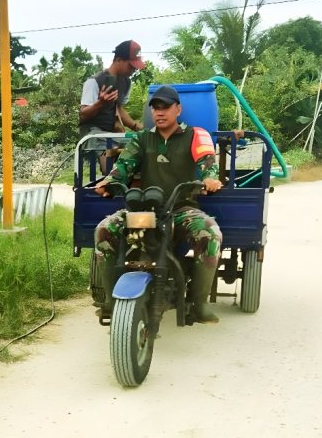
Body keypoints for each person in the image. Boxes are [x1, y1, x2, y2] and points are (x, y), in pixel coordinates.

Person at [93, 85, 223, 324]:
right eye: (155, 108)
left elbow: (207, 161)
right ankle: (111, 303)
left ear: (178, 109)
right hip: (144, 209)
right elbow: (123, 167)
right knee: (104, 230)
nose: (159, 112)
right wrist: (109, 182)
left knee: (211, 235)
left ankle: (198, 304)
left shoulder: (195, 134)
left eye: (165, 107)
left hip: (180, 209)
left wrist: (209, 178)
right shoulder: (141, 138)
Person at [79, 39, 146, 173]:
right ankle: (109, 178)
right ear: (118, 60)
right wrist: (100, 103)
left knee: (138, 143)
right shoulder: (94, 82)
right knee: (109, 145)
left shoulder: (126, 82)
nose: (134, 69)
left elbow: (118, 108)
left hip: (111, 133)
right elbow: (83, 115)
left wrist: (137, 126)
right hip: (92, 133)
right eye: (131, 65)